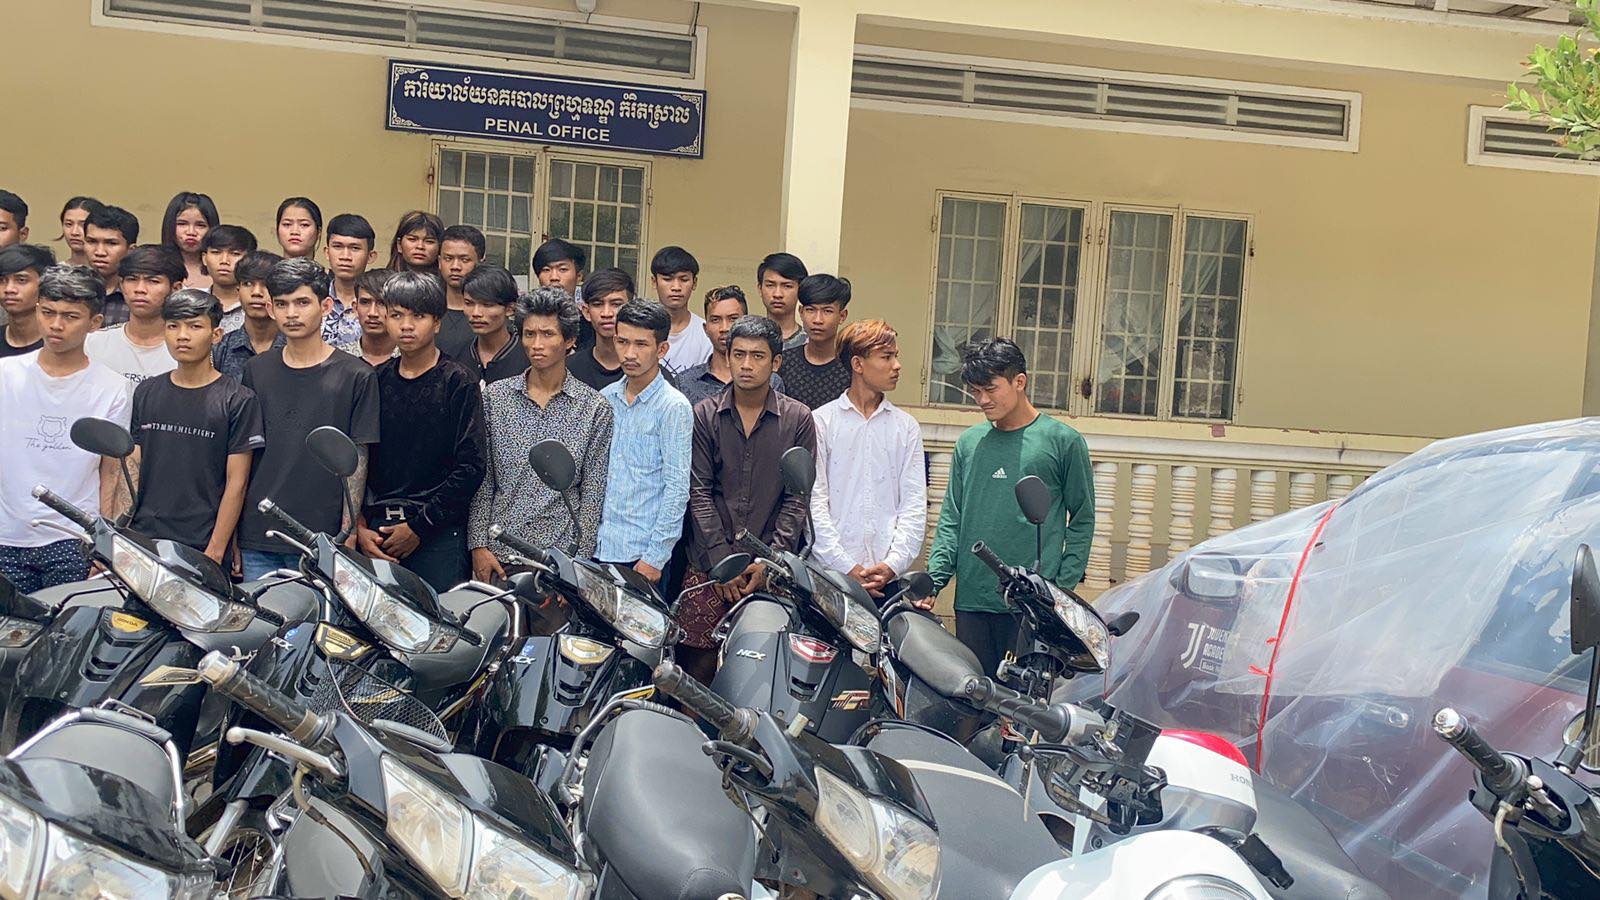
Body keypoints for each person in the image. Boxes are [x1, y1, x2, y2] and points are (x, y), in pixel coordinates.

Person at [926, 338, 1096, 676]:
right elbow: (952, 519)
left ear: (1020, 381)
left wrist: (1060, 589)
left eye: (990, 389)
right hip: (972, 599)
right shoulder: (969, 443)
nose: (982, 400)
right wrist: (934, 579)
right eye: (975, 392)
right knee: (972, 697)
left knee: (1023, 702)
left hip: (1033, 603)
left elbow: (1082, 518)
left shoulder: (1063, 441)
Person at [684, 316, 814, 680]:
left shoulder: (798, 419)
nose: (746, 364)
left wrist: (770, 562)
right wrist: (722, 562)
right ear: (727, 357)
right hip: (708, 564)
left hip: (770, 569)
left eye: (758, 356)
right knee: (695, 674)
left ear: (776, 362)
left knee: (763, 674)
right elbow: (699, 492)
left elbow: (797, 499)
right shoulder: (705, 415)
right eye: (738, 354)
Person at [237, 258, 380, 581]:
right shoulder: (256, 370)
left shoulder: (357, 375)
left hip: (324, 537)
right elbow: (245, 453)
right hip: (258, 531)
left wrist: (347, 531)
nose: (291, 313)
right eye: (282, 304)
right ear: (270, 309)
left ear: (325, 306)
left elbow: (358, 458)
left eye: (302, 302)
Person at [468, 287, 612, 582]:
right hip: (502, 550)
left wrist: (577, 567)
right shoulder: (496, 398)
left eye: (548, 334)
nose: (537, 344)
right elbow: (484, 479)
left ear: (569, 340)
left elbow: (592, 493)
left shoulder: (594, 408)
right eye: (529, 334)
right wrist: (478, 545)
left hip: (559, 559)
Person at [0, 265, 130, 592]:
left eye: (70, 316)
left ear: (94, 323)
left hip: (72, 537)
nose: (56, 325)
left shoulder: (112, 387)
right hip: (6, 531)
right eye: (48, 312)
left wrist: (105, 542)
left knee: (68, 623)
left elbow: (112, 471)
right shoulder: (5, 374)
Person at [356, 272, 486, 591]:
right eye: (396, 315)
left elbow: (471, 467)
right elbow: (360, 460)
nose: (406, 326)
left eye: (418, 316)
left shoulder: (458, 381)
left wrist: (419, 526)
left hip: (439, 533)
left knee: (440, 619)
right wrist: (359, 525)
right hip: (378, 531)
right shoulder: (375, 380)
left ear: (437, 322)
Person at [126, 290, 263, 566]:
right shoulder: (147, 391)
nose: (182, 336)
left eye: (195, 326)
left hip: (201, 543)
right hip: (143, 538)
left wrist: (216, 550)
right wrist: (121, 531)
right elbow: (133, 466)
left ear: (216, 335)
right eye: (173, 326)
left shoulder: (238, 399)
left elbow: (237, 483)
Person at [810, 319, 928, 601]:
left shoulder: (905, 427)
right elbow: (814, 504)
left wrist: (892, 565)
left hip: (887, 581)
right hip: (830, 578)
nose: (897, 365)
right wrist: (846, 567)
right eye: (886, 357)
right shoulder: (822, 422)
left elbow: (914, 505)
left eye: (895, 356)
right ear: (858, 364)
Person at [596, 299, 691, 587]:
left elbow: (677, 489)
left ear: (662, 349)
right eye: (622, 342)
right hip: (598, 547)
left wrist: (655, 556)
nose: (629, 353)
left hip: (641, 555)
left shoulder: (673, 406)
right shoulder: (605, 397)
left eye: (641, 344)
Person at [85, 244, 183, 383]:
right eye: (132, 279)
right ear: (121, 284)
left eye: (153, 281)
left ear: (176, 288)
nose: (140, 289)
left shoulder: (187, 348)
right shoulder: (93, 343)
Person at [677, 285, 785, 406]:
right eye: (715, 320)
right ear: (705, 328)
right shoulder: (685, 382)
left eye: (733, 319)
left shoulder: (771, 380)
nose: (724, 328)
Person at [780, 274, 853, 410]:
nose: (818, 320)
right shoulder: (784, 362)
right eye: (810, 310)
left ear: (842, 316)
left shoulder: (853, 366)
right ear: (801, 312)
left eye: (827, 311)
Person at [213, 250, 285, 382]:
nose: (256, 292)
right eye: (248, 284)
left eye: (266, 284)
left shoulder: (295, 346)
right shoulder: (219, 349)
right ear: (238, 291)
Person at [459, 264, 529, 384]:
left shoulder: (529, 358)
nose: (476, 313)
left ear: (510, 309)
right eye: (469, 303)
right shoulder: (457, 356)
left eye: (487, 305)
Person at [566, 267, 632, 390]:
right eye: (598, 304)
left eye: (616, 304)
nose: (607, 313)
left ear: (631, 309)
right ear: (586, 312)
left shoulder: (649, 371)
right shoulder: (568, 371)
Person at [652, 246, 712, 375]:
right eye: (667, 279)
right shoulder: (641, 330)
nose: (676, 287)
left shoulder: (706, 334)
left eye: (684, 279)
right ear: (654, 282)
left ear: (694, 283)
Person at [322, 213, 377, 347]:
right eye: (338, 246)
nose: (345, 256)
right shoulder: (314, 299)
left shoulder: (380, 305)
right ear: (327, 253)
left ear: (370, 256)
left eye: (355, 248)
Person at [84, 204, 139, 326]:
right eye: (92, 241)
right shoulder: (70, 290)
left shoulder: (139, 296)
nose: (100, 252)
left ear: (131, 250)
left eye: (111, 243)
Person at [436, 224, 483, 359]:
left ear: (480, 262)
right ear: (439, 262)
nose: (455, 267)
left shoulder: (488, 316)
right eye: (448, 258)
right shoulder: (427, 311)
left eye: (464, 260)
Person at [199, 225, 258, 332]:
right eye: (216, 252)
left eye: (235, 254)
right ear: (204, 258)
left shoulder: (259, 304)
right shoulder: (193, 302)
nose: (224, 261)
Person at [0, 245, 53, 358]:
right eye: (2, 280)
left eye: (21, 280)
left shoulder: (61, 343)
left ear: (45, 284)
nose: (9, 289)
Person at [338, 269, 398, 366]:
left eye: (382, 303)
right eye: (365, 302)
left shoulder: (411, 359)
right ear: (355, 308)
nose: (372, 313)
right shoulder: (338, 360)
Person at [161, 191, 219, 290]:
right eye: (182, 224)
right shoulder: (156, 265)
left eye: (200, 225)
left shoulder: (223, 270)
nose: (191, 232)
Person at [757, 252, 809, 350]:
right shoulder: (748, 339)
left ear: (801, 289)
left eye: (787, 286)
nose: (777, 294)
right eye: (770, 285)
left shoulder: (810, 344)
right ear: (760, 289)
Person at [56, 197, 101, 267]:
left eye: (83, 225)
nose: (74, 232)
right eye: (69, 224)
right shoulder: (54, 271)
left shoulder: (111, 272)